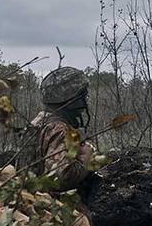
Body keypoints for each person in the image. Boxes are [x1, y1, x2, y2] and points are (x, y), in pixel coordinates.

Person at [26, 66, 99, 206]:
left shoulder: (39, 121)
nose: (85, 101)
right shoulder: (59, 129)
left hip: (31, 200)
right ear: (72, 99)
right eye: (83, 96)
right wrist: (86, 160)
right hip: (51, 207)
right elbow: (61, 177)